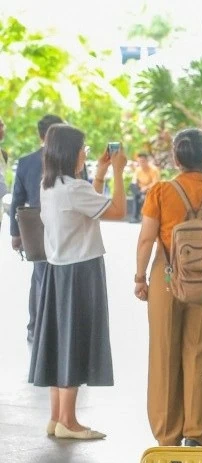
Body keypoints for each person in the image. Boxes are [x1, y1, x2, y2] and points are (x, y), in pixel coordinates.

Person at [134, 129, 202, 447]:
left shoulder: (162, 191)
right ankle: (195, 431)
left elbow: (147, 238)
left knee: (164, 353)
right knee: (198, 353)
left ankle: (167, 434)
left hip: (166, 281)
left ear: (177, 159)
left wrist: (140, 278)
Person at [30, 124, 127, 440]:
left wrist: (99, 174)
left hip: (58, 271)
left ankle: (57, 416)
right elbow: (117, 211)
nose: (87, 152)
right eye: (83, 147)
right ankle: (69, 422)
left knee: (61, 339)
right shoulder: (73, 189)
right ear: (71, 152)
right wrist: (119, 172)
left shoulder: (52, 186)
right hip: (81, 271)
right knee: (75, 339)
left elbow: (89, 207)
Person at [9, 114, 65, 344]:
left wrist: (16, 234)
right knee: (62, 278)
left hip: (36, 229)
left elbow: (17, 200)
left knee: (40, 277)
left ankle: (36, 327)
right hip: (65, 228)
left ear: (40, 134)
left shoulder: (26, 162)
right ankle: (59, 328)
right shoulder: (70, 160)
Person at [130, 152, 161, 223]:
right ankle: (135, 217)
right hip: (140, 190)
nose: (141, 163)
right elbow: (134, 181)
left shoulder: (154, 170)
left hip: (150, 190)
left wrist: (146, 188)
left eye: (143, 161)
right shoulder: (138, 170)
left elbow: (155, 183)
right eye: (139, 161)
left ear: (147, 161)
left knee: (138, 195)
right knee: (134, 190)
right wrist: (138, 188)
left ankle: (137, 216)